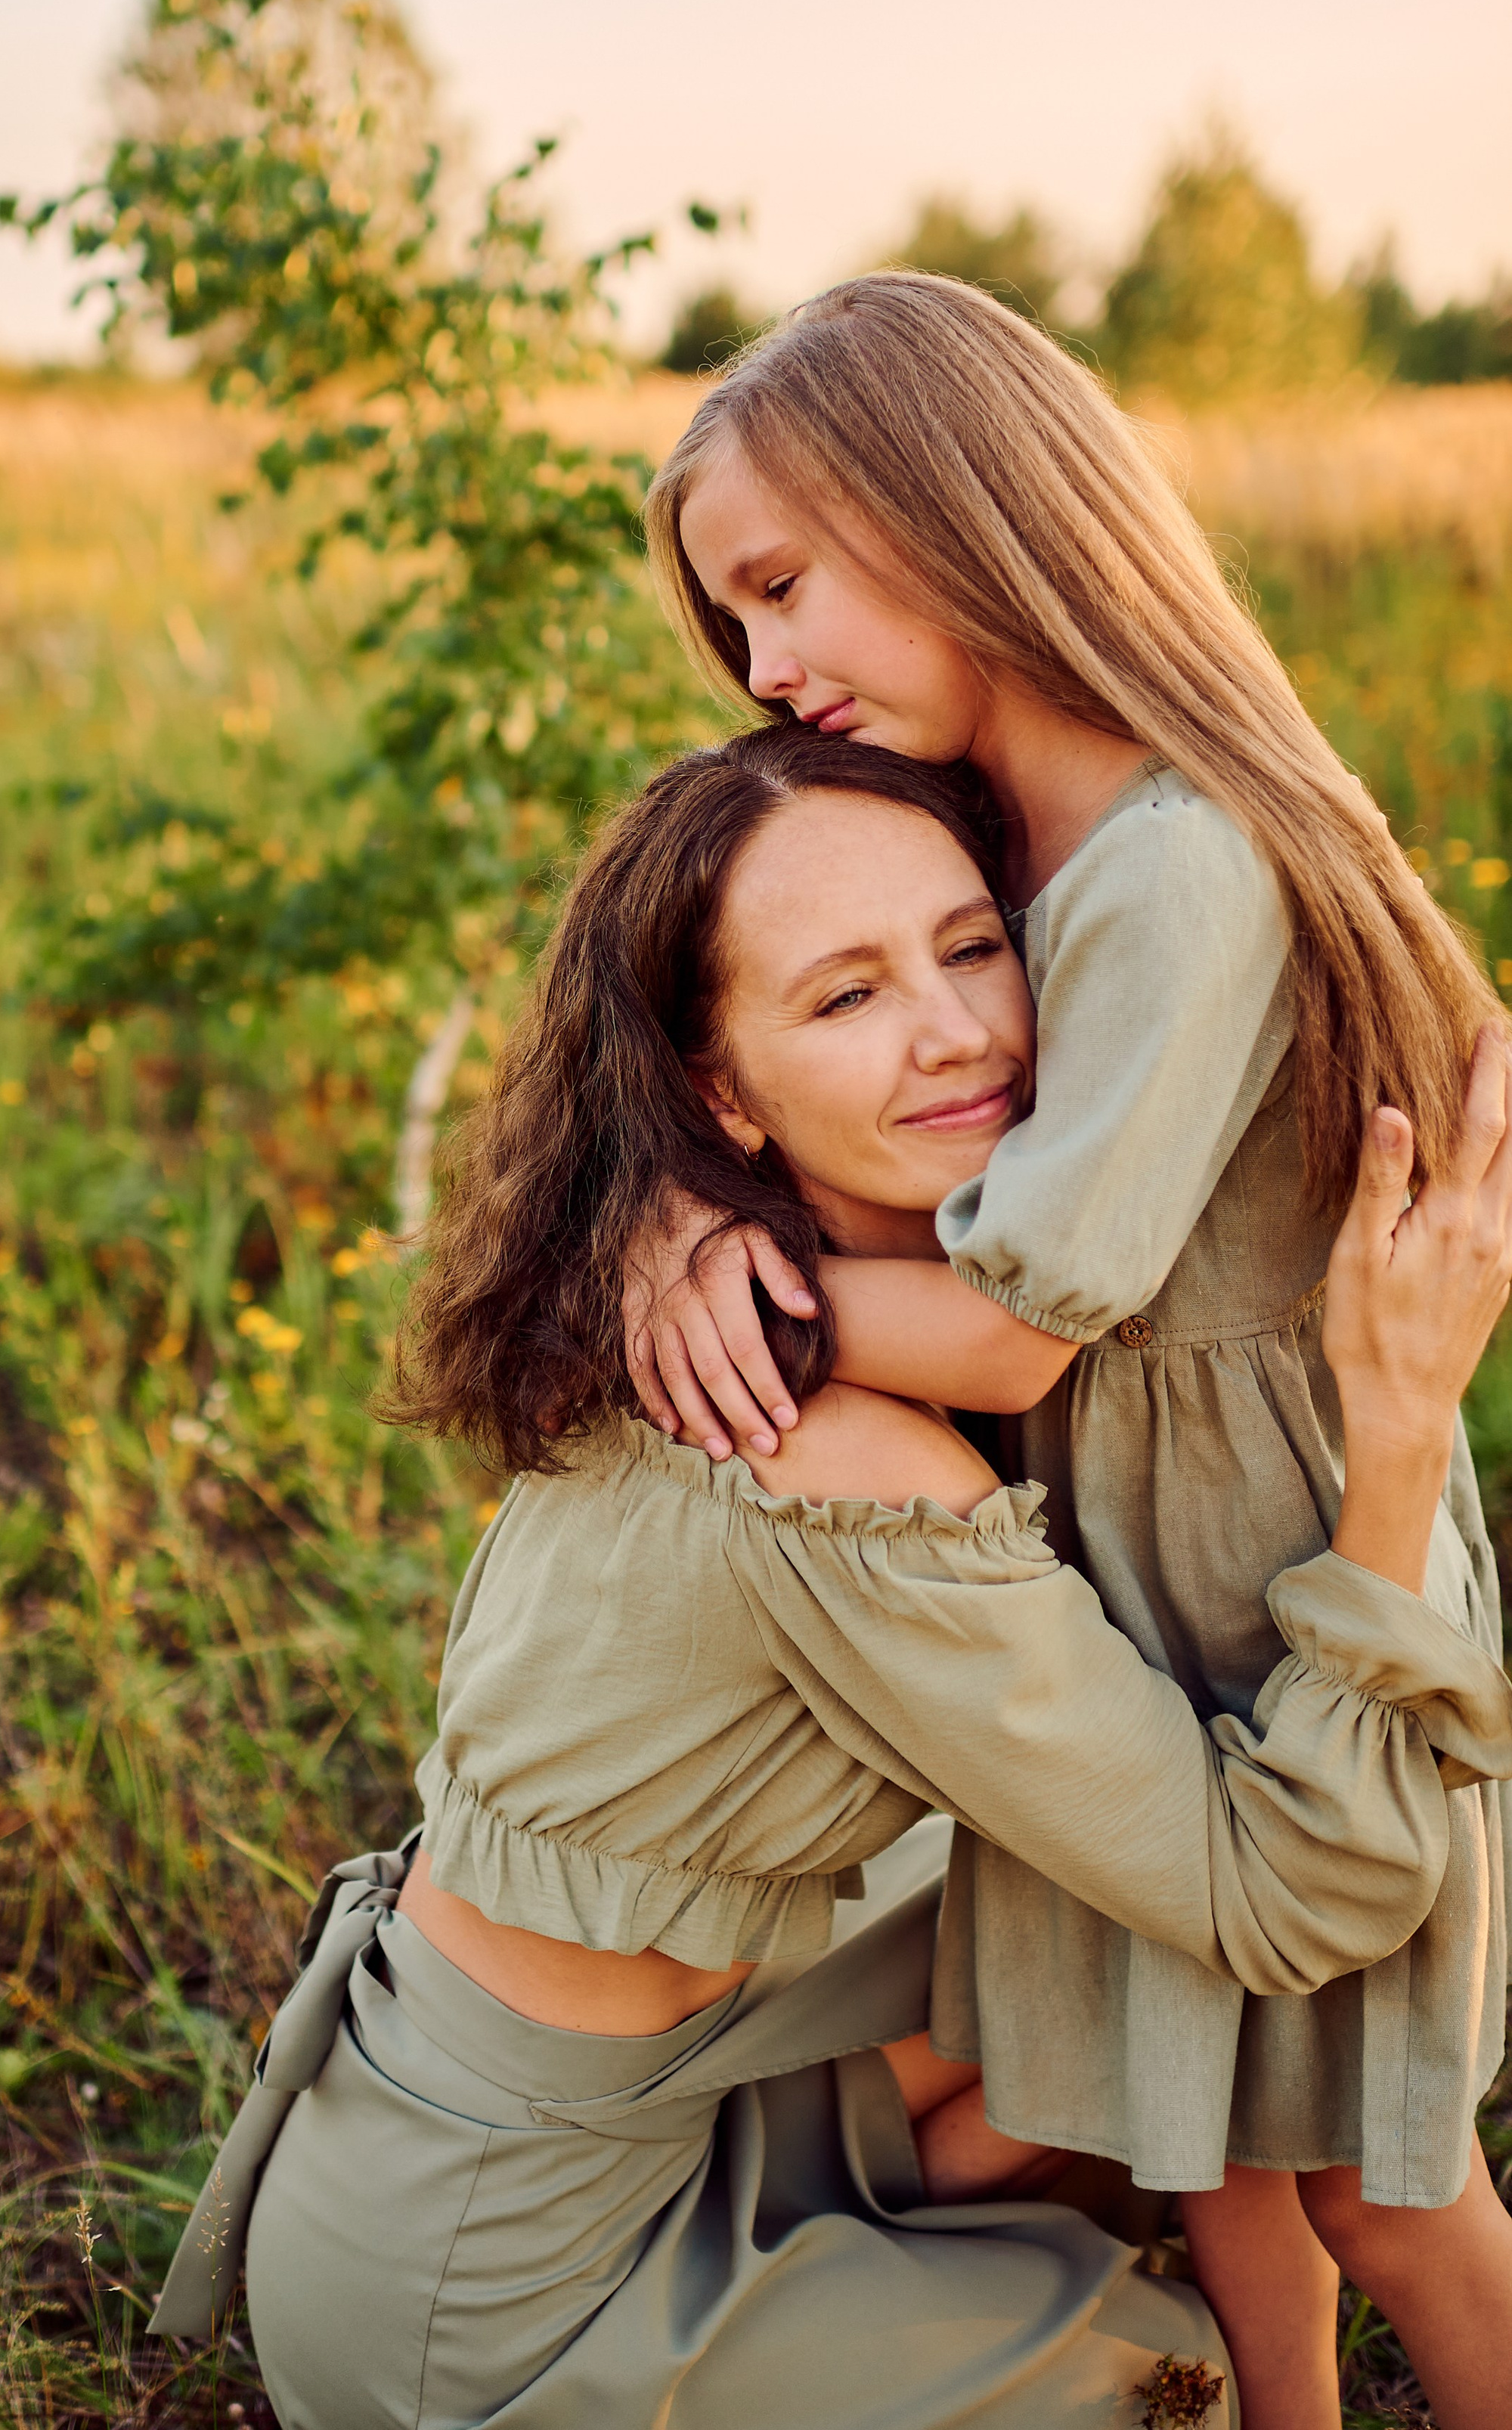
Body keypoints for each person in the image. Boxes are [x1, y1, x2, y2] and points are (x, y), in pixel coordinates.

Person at [149, 730, 1512, 2430]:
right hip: (501, 2284)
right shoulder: (821, 1453)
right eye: (843, 996)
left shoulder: (731, 1295)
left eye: (967, 945)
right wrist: (1390, 1431)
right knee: (1160, 2380)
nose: (954, 1029)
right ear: (718, 1090)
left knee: (1138, 2045)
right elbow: (1285, 1897)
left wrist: (664, 1204)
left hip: (637, 2107)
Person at [627, 274, 1512, 2426]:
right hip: (1139, 1578)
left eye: (780, 587)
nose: (768, 670)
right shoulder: (1007, 848)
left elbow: (1020, 1330)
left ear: (949, 499)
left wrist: (754, 1294)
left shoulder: (1174, 866)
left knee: (1389, 2186)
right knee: (1213, 2158)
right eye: (735, 626)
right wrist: (667, 1211)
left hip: (1289, 1561)